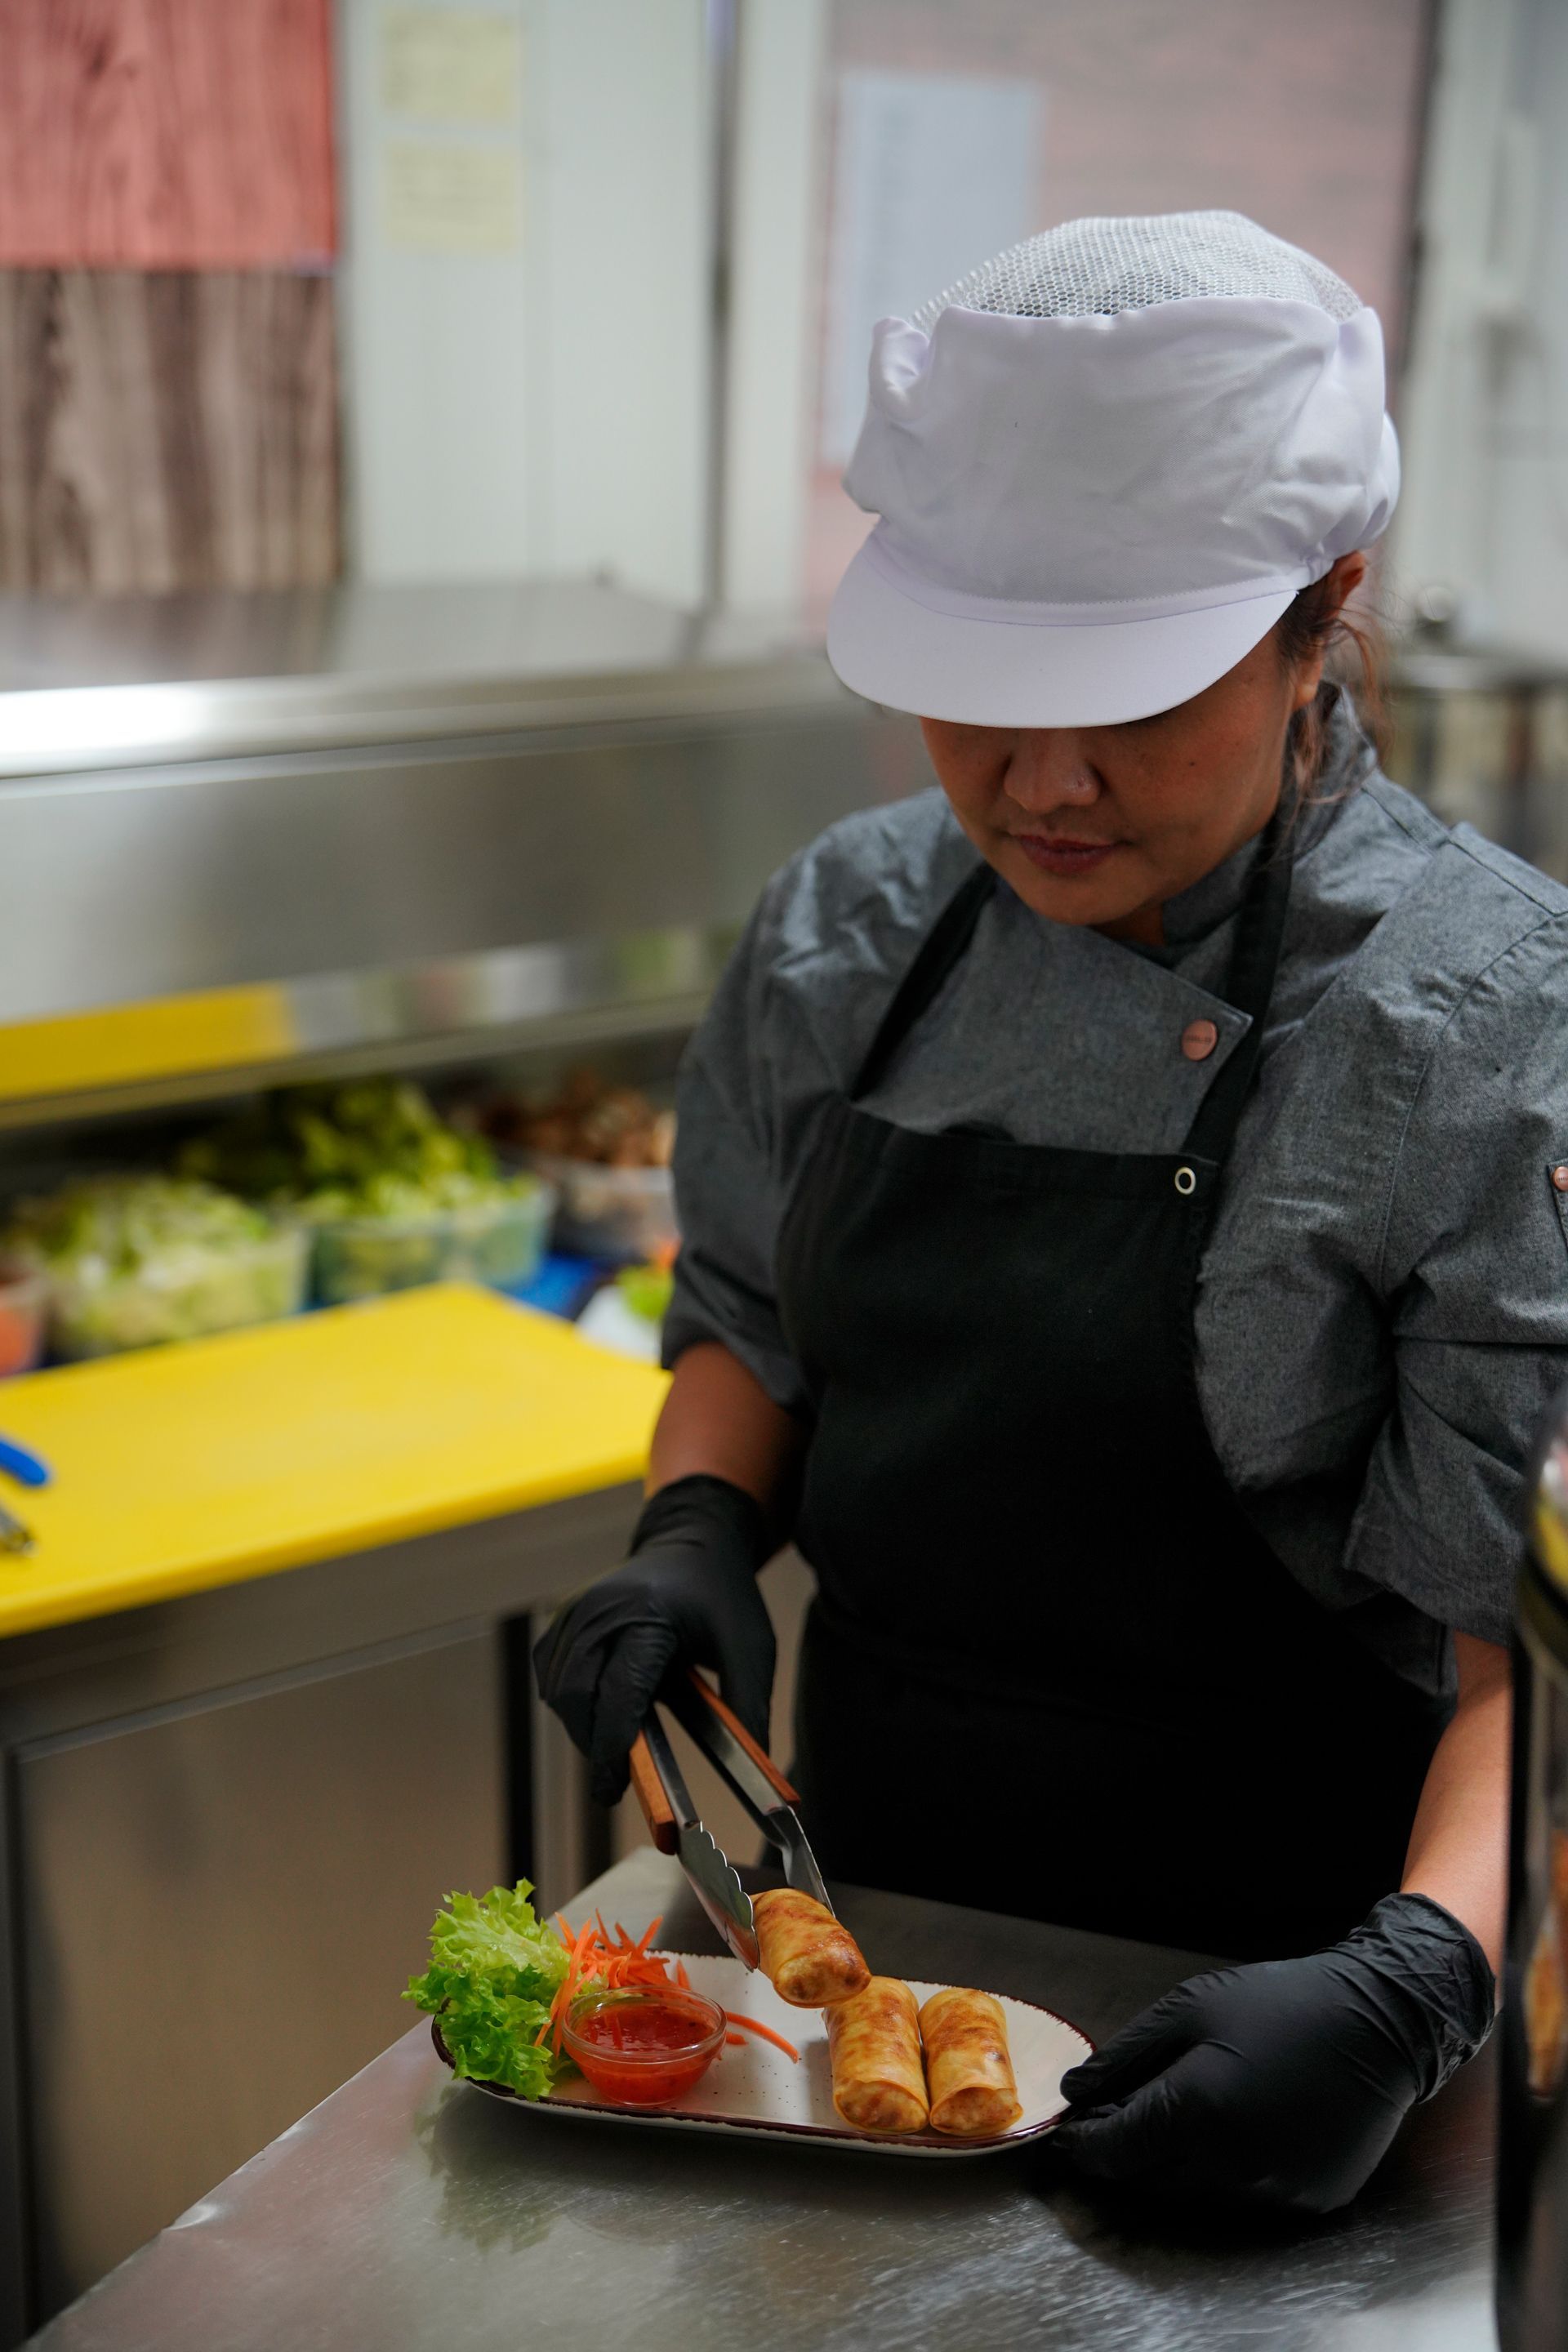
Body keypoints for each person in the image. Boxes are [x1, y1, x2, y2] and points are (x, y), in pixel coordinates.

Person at [537, 212, 1565, 2211]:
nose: (1045, 780)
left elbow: (1524, 1656)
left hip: (1296, 2018)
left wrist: (1418, 1981)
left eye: (1136, 696)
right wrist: (690, 1536)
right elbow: (749, 1317)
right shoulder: (848, 926)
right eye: (985, 697)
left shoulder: (1488, 1022)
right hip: (863, 1974)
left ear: (1316, 618)